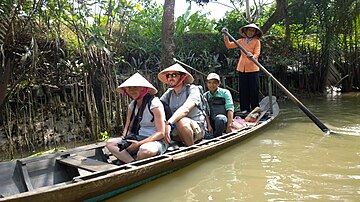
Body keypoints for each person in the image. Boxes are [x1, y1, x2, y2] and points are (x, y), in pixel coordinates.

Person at [106, 73, 168, 164]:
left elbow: (161, 133)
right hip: (138, 137)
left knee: (144, 150)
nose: (131, 91)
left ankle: (133, 160)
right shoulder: (132, 105)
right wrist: (125, 138)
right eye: (129, 88)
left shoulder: (155, 104)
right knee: (110, 143)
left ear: (144, 88)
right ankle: (132, 163)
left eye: (135, 87)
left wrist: (139, 144)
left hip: (155, 141)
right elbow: (128, 128)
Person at [158, 63, 207, 146]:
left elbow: (186, 109)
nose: (170, 78)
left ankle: (191, 150)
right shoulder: (169, 93)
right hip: (175, 129)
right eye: (168, 76)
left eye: (174, 75)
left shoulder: (192, 89)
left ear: (182, 77)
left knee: (182, 121)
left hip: (196, 128)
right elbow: (157, 106)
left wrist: (169, 123)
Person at [223, 23, 263, 113]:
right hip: (242, 68)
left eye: (252, 31)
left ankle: (255, 108)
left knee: (253, 89)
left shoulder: (257, 41)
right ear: (246, 31)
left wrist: (252, 55)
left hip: (253, 68)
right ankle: (244, 109)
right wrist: (225, 35)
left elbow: (257, 53)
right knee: (243, 89)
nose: (250, 32)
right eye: (249, 30)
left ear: (255, 32)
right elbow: (229, 45)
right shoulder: (241, 41)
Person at [204, 73, 234, 138]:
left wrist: (229, 126)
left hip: (223, 121)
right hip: (211, 122)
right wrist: (209, 126)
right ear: (207, 83)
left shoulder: (225, 93)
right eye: (209, 82)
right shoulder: (205, 96)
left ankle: (217, 136)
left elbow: (230, 109)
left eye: (214, 83)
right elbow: (205, 113)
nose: (212, 85)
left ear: (218, 84)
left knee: (220, 119)